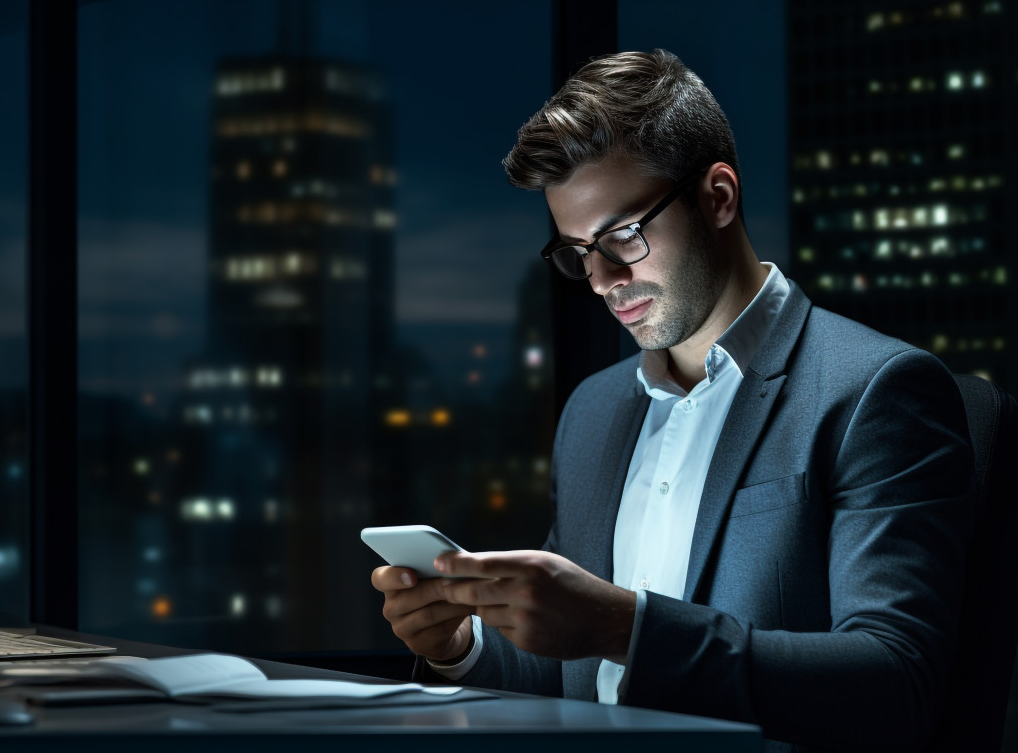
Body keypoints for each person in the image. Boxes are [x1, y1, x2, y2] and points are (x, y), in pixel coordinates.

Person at [371, 50, 973, 752]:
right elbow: (569, 675)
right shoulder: (593, 413)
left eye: (623, 235)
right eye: (577, 251)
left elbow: (896, 687)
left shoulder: (874, 390)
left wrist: (622, 625)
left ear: (718, 197)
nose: (600, 279)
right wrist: (459, 644)